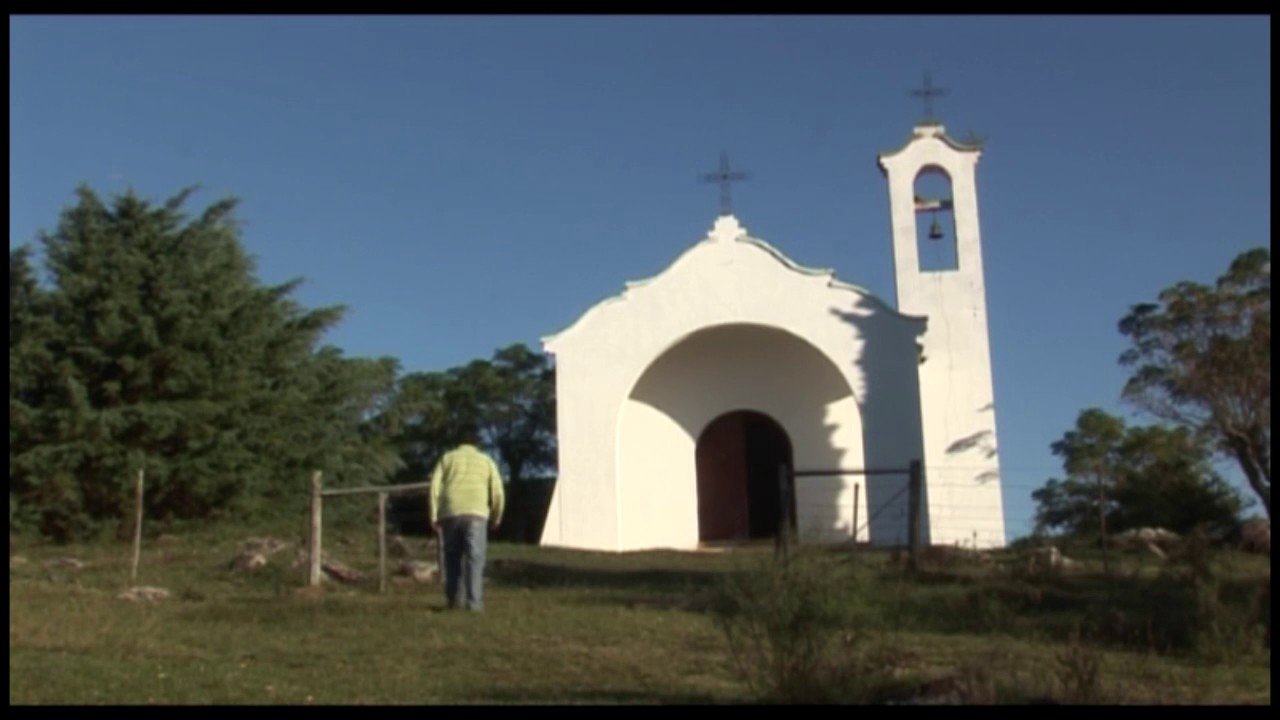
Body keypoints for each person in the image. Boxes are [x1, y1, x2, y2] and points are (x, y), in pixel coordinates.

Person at [429, 429, 505, 611]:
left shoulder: (447, 458)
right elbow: (497, 491)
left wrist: (433, 514)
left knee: (452, 557)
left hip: (451, 512)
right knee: (475, 558)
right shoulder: (486, 460)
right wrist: (497, 515)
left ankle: (454, 601)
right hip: (477, 512)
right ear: (477, 443)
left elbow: (434, 486)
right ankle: (474, 603)